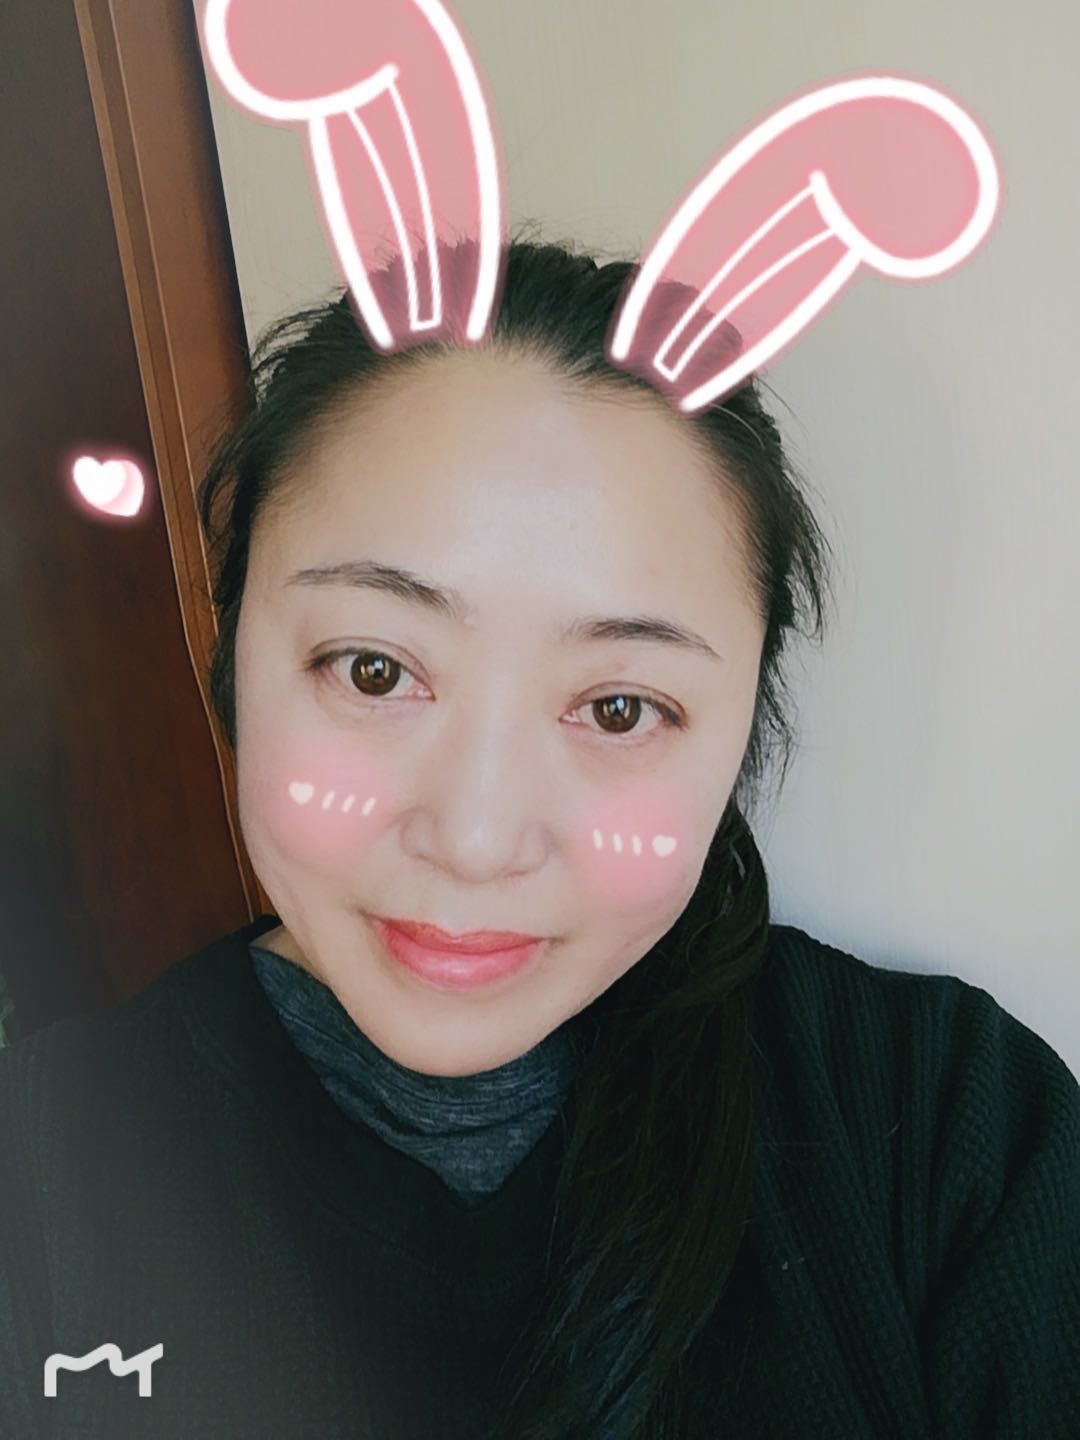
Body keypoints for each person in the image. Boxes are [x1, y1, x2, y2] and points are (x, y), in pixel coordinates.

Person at [2, 233, 1077, 1439]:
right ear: (234, 653)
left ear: (742, 729)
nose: (475, 840)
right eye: (373, 670)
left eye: (618, 709)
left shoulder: (949, 1132)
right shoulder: (37, 1179)